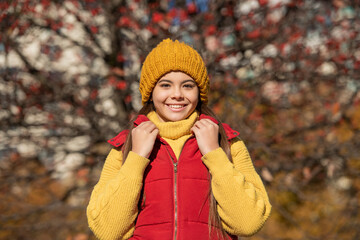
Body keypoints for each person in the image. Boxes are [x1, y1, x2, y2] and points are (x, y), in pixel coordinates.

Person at [87, 39, 271, 240]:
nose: (177, 95)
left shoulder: (226, 142)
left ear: (199, 92)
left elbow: (249, 223)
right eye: (165, 85)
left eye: (187, 86)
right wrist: (136, 159)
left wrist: (214, 154)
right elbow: (107, 230)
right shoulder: (126, 146)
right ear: (151, 92)